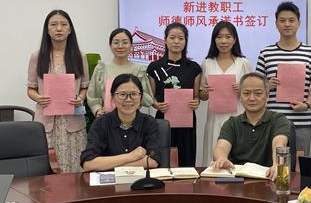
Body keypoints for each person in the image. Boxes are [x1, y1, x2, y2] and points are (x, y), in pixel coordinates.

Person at [27, 9, 89, 172]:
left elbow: (84, 86)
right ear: (47, 30)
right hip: (47, 121)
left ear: (70, 29)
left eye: (63, 24)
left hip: (72, 121)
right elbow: (31, 88)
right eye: (53, 24)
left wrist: (80, 98)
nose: (59, 28)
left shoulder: (79, 56)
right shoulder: (37, 56)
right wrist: (38, 97)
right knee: (47, 169)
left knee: (74, 168)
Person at [255, 1, 311, 156]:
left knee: (299, 165)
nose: (287, 24)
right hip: (272, 121)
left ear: (299, 23)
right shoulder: (266, 53)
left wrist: (307, 104)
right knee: (272, 163)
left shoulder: (310, 52)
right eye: (282, 20)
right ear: (276, 24)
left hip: (301, 121)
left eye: (291, 20)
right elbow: (257, 86)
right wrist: (267, 85)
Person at [210, 72, 291, 180]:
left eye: (258, 93)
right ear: (240, 96)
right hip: (237, 181)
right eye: (246, 93)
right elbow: (221, 147)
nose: (252, 98)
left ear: (267, 96)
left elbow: (279, 144)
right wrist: (221, 159)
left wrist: (277, 164)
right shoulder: (231, 123)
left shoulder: (278, 119)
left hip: (268, 178)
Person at [80, 74, 160, 172]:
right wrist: (131, 156)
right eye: (122, 94)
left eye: (134, 94)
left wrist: (109, 164)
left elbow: (153, 161)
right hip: (108, 181)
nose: (128, 99)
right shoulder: (101, 123)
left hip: (141, 180)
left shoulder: (149, 123)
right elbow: (88, 163)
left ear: (140, 97)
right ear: (113, 97)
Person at [147, 22, 201, 167]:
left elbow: (196, 96)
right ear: (165, 40)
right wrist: (156, 104)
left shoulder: (194, 68)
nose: (176, 41)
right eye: (172, 38)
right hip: (163, 120)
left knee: (186, 159)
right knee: (161, 159)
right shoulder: (154, 67)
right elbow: (151, 96)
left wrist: (196, 102)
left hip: (186, 120)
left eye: (181, 38)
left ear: (186, 41)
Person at [199, 21, 252, 165]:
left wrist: (242, 91)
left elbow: (252, 93)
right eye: (219, 37)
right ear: (214, 40)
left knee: (237, 159)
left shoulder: (243, 63)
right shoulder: (207, 63)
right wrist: (206, 92)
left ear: (234, 40)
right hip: (215, 119)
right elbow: (202, 95)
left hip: (237, 117)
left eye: (228, 37)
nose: (223, 41)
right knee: (214, 158)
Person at [87, 28, 153, 117]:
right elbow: (93, 95)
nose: (120, 46)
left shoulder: (139, 70)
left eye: (125, 42)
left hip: (132, 119)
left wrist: (136, 91)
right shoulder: (101, 68)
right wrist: (97, 110)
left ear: (131, 45)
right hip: (106, 119)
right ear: (110, 45)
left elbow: (148, 101)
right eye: (116, 42)